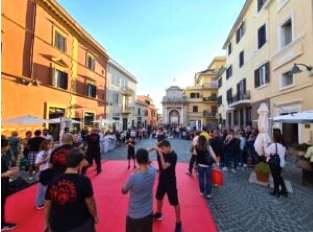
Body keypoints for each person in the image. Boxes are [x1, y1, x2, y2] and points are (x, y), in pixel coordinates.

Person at [43, 148, 98, 232]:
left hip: (57, 223)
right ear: (80, 163)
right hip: (79, 223)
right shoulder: (84, 180)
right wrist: (95, 216)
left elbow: (47, 204)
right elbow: (90, 202)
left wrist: (46, 223)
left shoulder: (54, 181)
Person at [149, 140, 182, 232]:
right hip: (162, 179)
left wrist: (160, 155)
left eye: (163, 149)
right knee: (159, 197)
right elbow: (154, 147)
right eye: (161, 149)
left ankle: (178, 222)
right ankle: (159, 213)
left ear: (168, 147)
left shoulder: (173, 155)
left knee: (175, 202)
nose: (162, 151)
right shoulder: (160, 149)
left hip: (170, 181)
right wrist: (147, 152)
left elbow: (164, 166)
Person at [122, 149, 156, 232]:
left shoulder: (133, 177)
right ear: (147, 159)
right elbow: (150, 165)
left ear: (136, 160)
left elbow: (123, 191)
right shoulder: (153, 171)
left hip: (134, 215)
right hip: (148, 213)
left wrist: (133, 173)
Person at [1, 137, 18, 231]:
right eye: (7, 145)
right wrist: (5, 174)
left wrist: (10, 170)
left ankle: (2, 223)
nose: (8, 147)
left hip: (4, 185)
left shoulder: (3, 155)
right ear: (2, 146)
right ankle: (2, 225)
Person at [265, 133, 288, 197]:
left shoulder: (274, 145)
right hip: (281, 163)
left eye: (273, 137)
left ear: (275, 138)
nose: (272, 138)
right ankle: (284, 190)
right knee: (279, 177)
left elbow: (266, 152)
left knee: (275, 177)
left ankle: (276, 191)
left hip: (274, 163)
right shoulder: (283, 145)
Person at [35, 140, 52, 209]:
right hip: (43, 171)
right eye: (49, 144)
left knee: (48, 187)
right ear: (45, 145)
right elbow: (36, 164)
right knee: (43, 188)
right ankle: (39, 203)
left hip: (49, 170)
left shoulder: (50, 151)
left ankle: (45, 202)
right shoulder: (40, 154)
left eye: (51, 144)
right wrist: (45, 160)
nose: (51, 145)